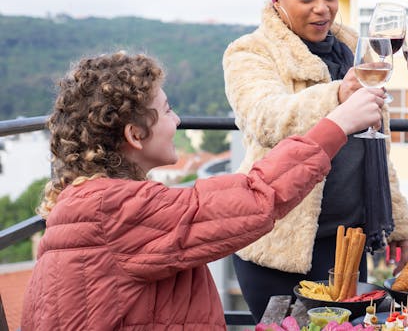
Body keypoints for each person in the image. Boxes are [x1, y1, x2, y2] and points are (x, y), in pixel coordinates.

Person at [20, 52, 386, 330]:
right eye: (167, 110)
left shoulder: (90, 202)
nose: (177, 120)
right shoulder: (114, 209)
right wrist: (338, 124)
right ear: (134, 136)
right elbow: (253, 199)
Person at [223, 0, 408, 318]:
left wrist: (399, 223)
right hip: (276, 247)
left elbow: (375, 148)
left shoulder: (351, 49)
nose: (322, 8)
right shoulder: (250, 52)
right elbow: (265, 117)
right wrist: (337, 98)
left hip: (345, 244)